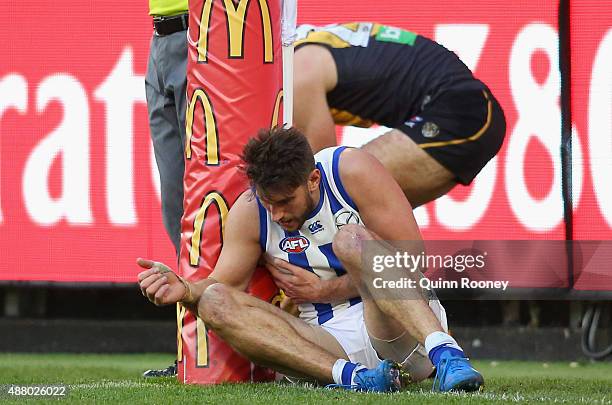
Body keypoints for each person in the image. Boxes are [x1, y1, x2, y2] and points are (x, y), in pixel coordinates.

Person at [137, 127, 484, 392]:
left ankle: (446, 354)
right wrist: (184, 289)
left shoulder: (350, 169)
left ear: (313, 179)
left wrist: (325, 290)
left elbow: (413, 256)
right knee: (213, 301)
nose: (276, 214)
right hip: (327, 345)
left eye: (286, 201)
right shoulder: (251, 210)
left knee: (350, 239)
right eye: (267, 202)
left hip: (395, 328)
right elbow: (222, 288)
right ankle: (357, 380)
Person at [293, 22, 506, 207]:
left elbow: (316, 177)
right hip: (463, 106)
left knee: (330, 195)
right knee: (350, 222)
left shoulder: (296, 71)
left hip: (461, 112)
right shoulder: (300, 48)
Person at [142, 0, 189, 378]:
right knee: (176, 203)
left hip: (204, 35)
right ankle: (193, 349)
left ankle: (230, 342)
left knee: (209, 194)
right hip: (159, 37)